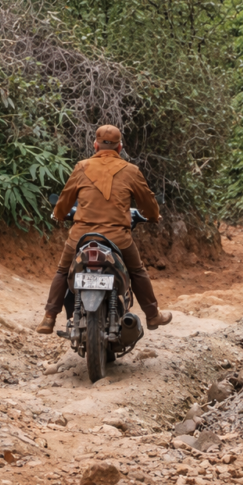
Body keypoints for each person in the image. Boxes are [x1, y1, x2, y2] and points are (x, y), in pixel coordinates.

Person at [36, 125, 173, 334]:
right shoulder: (131, 170)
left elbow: (65, 200)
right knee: (137, 271)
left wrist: (59, 214)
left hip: (81, 238)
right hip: (118, 239)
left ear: (95, 145)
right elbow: (148, 201)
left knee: (63, 271)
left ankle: (48, 317)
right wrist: (154, 216)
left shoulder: (81, 167)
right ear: (120, 147)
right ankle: (153, 315)